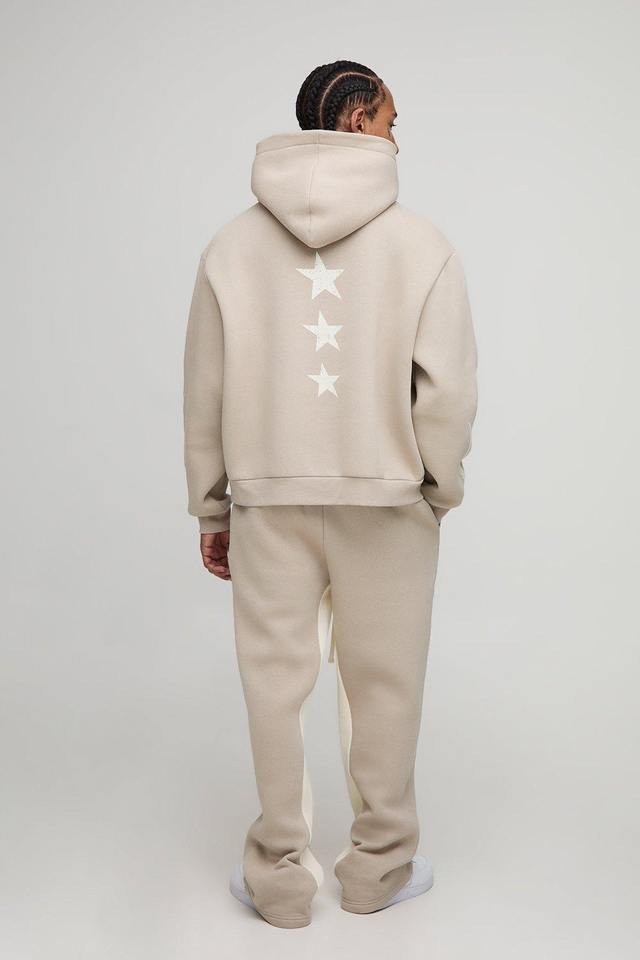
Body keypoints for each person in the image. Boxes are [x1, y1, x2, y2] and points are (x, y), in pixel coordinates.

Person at [183, 59, 478, 928]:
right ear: (355, 122)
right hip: (387, 506)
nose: (396, 139)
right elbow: (448, 393)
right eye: (390, 121)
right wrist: (436, 488)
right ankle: (377, 870)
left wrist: (212, 505)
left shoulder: (230, 248)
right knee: (385, 686)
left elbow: (204, 388)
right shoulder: (422, 245)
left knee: (273, 688)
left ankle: (278, 881)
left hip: (268, 502)